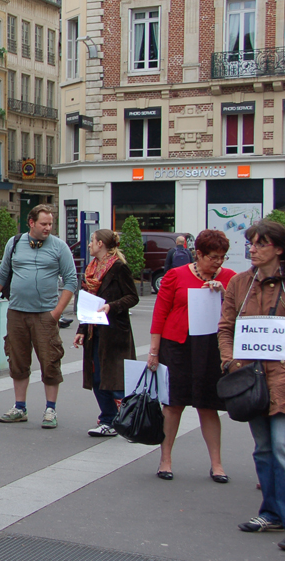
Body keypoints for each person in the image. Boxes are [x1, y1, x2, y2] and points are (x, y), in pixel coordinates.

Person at [217, 220, 285, 547]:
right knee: (264, 449)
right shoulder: (240, 283)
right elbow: (225, 327)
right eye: (251, 244)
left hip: (283, 379)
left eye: (260, 244)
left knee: (283, 447)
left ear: (278, 249)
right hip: (250, 379)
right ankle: (271, 512)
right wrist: (228, 360)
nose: (253, 249)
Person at [148, 228, 234, 481]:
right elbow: (160, 314)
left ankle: (216, 464)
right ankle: (165, 459)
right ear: (198, 254)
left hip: (211, 347)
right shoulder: (175, 275)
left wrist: (224, 294)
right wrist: (154, 352)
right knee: (173, 404)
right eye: (213, 257)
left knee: (208, 405)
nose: (218, 263)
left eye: (222, 257)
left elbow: (240, 311)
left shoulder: (230, 278)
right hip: (178, 345)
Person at [0, 204, 77, 429]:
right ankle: (20, 407)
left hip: (45, 314)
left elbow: (71, 281)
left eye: (50, 224)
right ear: (31, 223)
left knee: (50, 361)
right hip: (17, 312)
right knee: (17, 360)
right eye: (43, 224)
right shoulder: (14, 243)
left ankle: (50, 409)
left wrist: (56, 313)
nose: (48, 228)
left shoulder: (59, 247)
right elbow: (2, 274)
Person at [72, 230, 138, 437]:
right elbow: (89, 304)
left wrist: (112, 306)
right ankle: (107, 419)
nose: (89, 245)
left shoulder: (118, 267)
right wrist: (82, 329)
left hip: (115, 332)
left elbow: (132, 296)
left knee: (117, 380)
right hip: (95, 331)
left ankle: (128, 419)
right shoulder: (91, 269)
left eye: (92, 241)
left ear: (100, 244)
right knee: (97, 377)